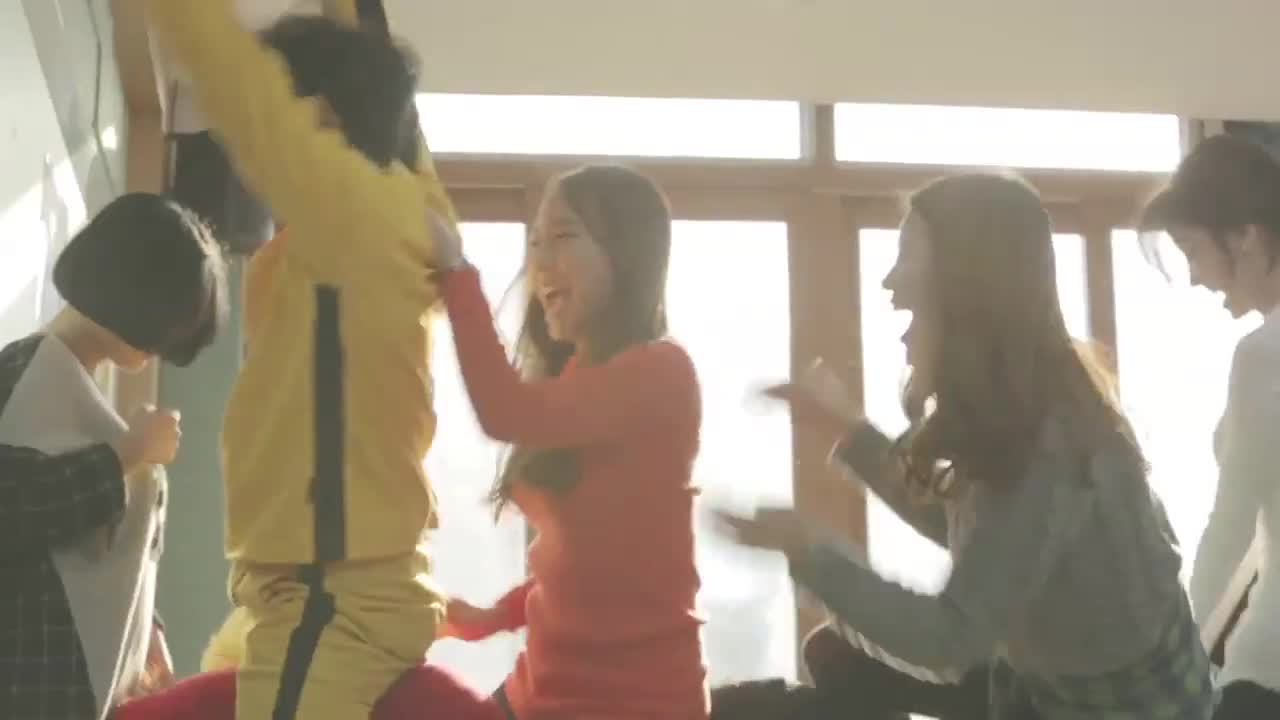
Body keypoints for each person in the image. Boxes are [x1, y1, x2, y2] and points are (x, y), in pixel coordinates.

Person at [719, 173, 1214, 719]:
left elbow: (952, 642)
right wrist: (851, 435)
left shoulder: (1049, 445)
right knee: (833, 653)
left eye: (908, 256)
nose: (889, 281)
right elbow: (975, 530)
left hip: (1111, 709)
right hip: (1044, 687)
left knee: (816, 673)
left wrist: (807, 552)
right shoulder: (1028, 409)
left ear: (966, 293)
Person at [141, 2, 459, 718]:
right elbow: (405, 136)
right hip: (321, 584)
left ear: (321, 119)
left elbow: (230, 71)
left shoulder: (344, 206)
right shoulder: (402, 208)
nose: (248, 143)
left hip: (332, 591)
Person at [429, 165, 709, 719]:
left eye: (562, 237)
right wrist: (494, 616)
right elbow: (590, 563)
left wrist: (456, 274)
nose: (540, 262)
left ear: (626, 252)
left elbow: (503, 411)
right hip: (540, 692)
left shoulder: (661, 372)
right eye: (535, 243)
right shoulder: (581, 375)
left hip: (631, 704)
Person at [0, 192, 228, 720]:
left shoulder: (70, 390)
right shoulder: (27, 378)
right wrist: (127, 453)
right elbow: (13, 504)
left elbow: (90, 554)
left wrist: (148, 630)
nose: (159, 349)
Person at [1139, 132, 1280, 718]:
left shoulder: (1264, 354)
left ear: (1246, 235)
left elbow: (1233, 523)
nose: (1196, 277)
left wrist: (1184, 653)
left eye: (1192, 250)